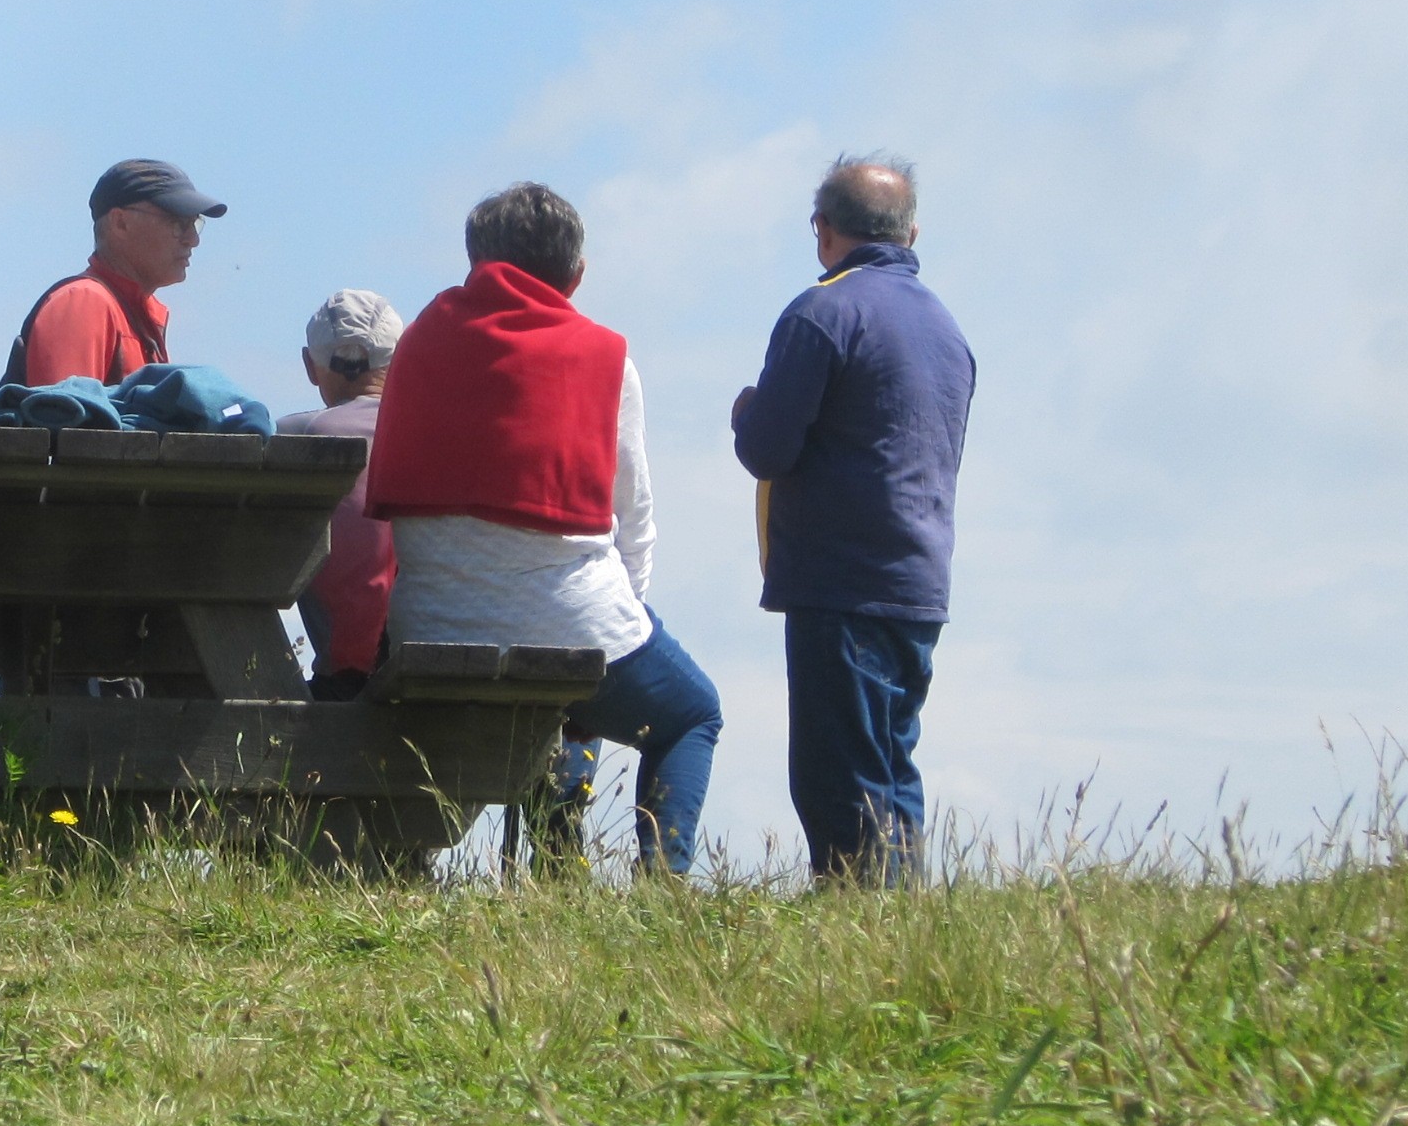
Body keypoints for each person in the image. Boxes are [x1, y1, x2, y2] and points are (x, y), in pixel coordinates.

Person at [366, 182, 722, 876]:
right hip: (578, 623)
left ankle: (402, 866)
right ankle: (663, 890)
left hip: (429, 623)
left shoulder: (416, 346)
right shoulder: (607, 358)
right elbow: (636, 517)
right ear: (576, 276)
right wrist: (627, 615)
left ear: (473, 262)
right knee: (692, 715)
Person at [731, 155, 974, 884]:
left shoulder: (824, 310)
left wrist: (745, 412)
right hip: (918, 579)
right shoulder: (945, 327)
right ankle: (898, 930)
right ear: (911, 232)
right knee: (892, 770)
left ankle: (859, 929)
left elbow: (767, 448)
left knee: (838, 776)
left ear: (823, 230)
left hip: (839, 579)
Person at [274, 290, 403, 699]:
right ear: (398, 362)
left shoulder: (294, 436)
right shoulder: (435, 431)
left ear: (310, 366)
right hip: (434, 644)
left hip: (346, 678)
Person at [3, 158, 225, 388]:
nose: (193, 240)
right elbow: (62, 417)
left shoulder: (135, 316)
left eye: (195, 223)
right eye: (178, 223)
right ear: (120, 223)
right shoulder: (85, 302)